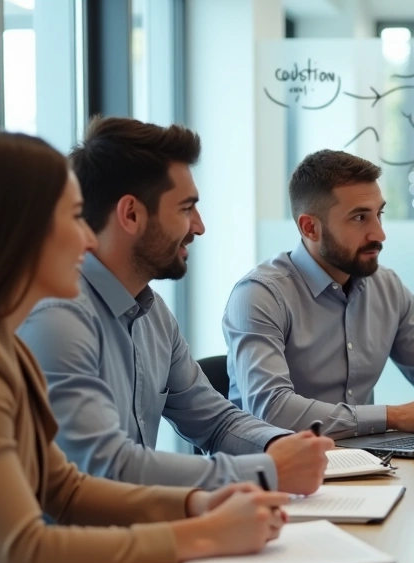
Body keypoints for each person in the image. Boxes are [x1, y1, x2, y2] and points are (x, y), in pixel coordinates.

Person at [0, 130, 289, 563]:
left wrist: (195, 504)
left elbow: (66, 490)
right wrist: (200, 535)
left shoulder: (1, 345)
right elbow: (24, 554)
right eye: (73, 217)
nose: (87, 238)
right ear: (17, 231)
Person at [17, 117, 331, 492]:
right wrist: (265, 471)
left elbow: (217, 422)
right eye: (186, 209)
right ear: (131, 214)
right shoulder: (58, 320)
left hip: (138, 531)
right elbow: (105, 467)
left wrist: (282, 447)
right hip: (88, 544)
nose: (199, 227)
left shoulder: (153, 314)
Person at [222, 150, 414, 440]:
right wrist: (394, 416)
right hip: (273, 473)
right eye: (360, 218)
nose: (379, 234)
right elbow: (271, 408)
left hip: (364, 463)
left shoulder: (387, 287)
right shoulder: (260, 295)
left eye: (379, 214)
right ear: (310, 227)